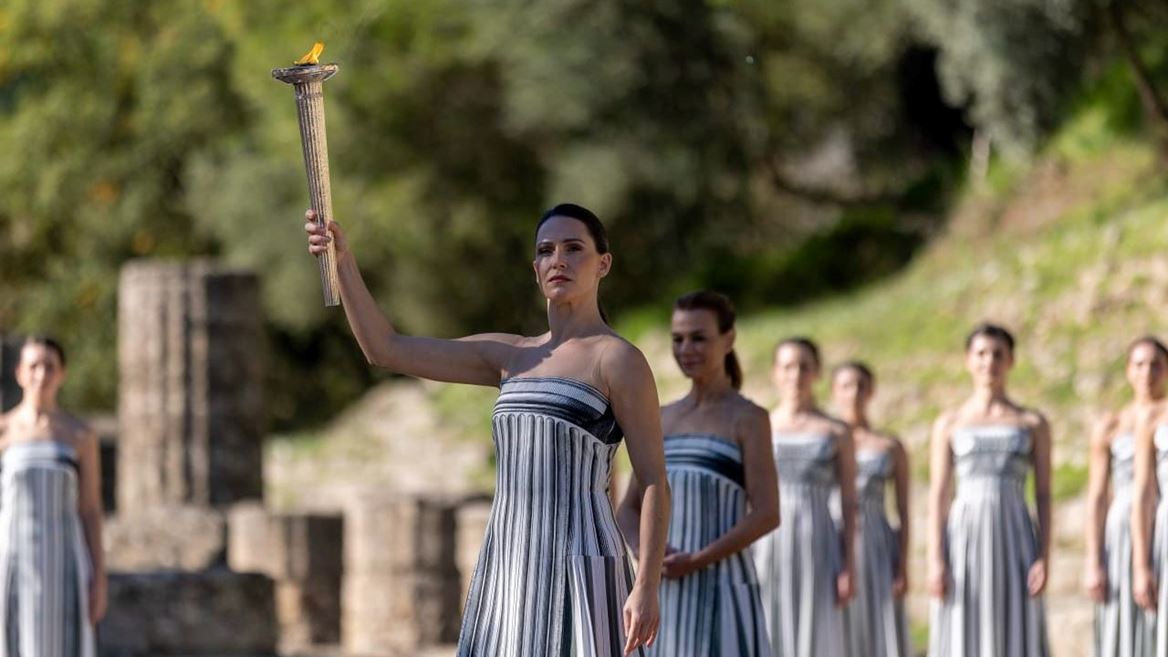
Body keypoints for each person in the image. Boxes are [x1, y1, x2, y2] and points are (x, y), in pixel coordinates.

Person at [305, 202, 670, 656]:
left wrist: (647, 585)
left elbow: (653, 478)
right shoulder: (511, 355)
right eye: (546, 251)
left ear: (603, 264)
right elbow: (386, 349)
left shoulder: (617, 359)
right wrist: (343, 262)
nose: (558, 260)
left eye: (574, 249)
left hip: (582, 564)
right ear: (535, 269)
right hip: (509, 561)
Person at [617, 290, 777, 656]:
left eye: (698, 337)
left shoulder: (749, 419)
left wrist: (699, 558)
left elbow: (768, 513)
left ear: (729, 339)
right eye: (678, 339)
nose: (686, 348)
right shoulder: (661, 418)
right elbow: (627, 509)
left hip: (726, 587)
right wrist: (648, 555)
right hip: (663, 595)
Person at [927, 323, 1051, 657]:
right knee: (963, 619)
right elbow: (939, 493)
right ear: (968, 360)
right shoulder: (949, 423)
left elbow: (1042, 493)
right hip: (965, 534)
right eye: (981, 354)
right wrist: (935, 558)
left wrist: (1044, 554)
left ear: (1011, 361)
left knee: (1016, 620)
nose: (989, 362)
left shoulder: (1032, 423)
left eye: (998, 354)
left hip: (1015, 532)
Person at [0, 336, 106, 657]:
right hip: (11, 561)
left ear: (62, 374)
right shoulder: (3, 431)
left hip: (66, 564)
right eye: (34, 366)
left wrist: (99, 576)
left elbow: (89, 509)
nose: (41, 375)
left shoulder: (79, 435)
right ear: (20, 372)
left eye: (50, 367)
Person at [752, 337, 856, 657]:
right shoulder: (759, 426)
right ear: (775, 373)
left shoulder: (837, 432)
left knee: (819, 624)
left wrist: (849, 563)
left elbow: (850, 503)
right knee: (769, 620)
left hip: (818, 538)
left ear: (817, 373)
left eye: (803, 366)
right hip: (769, 538)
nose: (795, 374)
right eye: (787, 366)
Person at [1085, 337, 1166, 656]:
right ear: (1128, 371)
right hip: (1122, 529)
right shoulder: (1112, 425)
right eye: (1140, 364)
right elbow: (1097, 497)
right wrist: (1094, 559)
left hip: (1160, 523)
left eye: (1156, 364)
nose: (1148, 373)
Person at [830, 361, 910, 657]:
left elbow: (902, 508)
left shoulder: (889, 445)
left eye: (860, 386)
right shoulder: (826, 442)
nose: (854, 393)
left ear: (871, 392)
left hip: (876, 539)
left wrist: (902, 563)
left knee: (877, 620)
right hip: (833, 537)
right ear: (834, 392)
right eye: (846, 386)